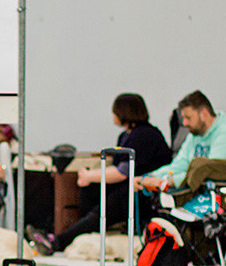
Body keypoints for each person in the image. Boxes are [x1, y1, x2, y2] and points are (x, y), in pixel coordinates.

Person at [47, 94, 173, 253]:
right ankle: (88, 231)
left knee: (109, 201)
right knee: (91, 189)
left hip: (142, 193)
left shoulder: (145, 135)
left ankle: (58, 241)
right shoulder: (125, 135)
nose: (113, 115)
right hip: (126, 188)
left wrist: (88, 175)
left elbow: (123, 172)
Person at [135, 90, 226, 192]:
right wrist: (149, 177)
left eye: (188, 118)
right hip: (201, 193)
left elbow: (209, 174)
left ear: (204, 114)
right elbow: (179, 164)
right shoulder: (195, 135)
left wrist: (166, 181)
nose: (184, 123)